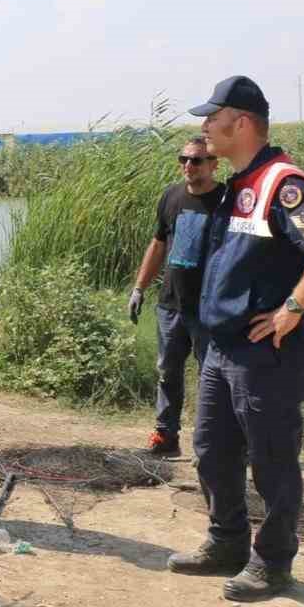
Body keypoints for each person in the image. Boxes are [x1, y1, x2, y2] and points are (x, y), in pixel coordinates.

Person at [165, 76, 304, 601]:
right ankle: (226, 542)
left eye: (213, 117)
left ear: (241, 122)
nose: (205, 126)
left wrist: (293, 308)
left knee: (271, 458)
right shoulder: (241, 182)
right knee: (211, 451)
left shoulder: (281, 182)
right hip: (222, 348)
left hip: (263, 354)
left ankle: (272, 563)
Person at [127, 136, 224, 457]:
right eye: (183, 159)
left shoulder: (228, 200)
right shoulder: (171, 196)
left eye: (196, 160)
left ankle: (214, 442)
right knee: (168, 371)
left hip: (210, 309)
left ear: (214, 164)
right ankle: (166, 436)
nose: (188, 166)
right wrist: (139, 288)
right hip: (171, 305)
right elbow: (157, 244)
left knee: (213, 377)